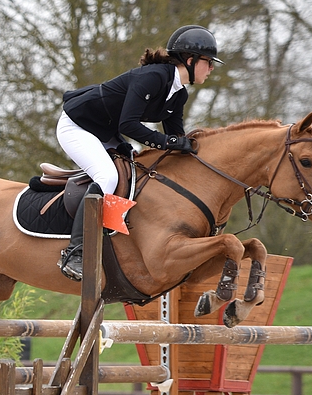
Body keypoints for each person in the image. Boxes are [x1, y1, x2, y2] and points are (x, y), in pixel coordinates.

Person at [56, 24, 223, 281]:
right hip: (77, 125)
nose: (211, 69)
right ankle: (75, 252)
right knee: (107, 177)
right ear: (191, 60)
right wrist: (169, 142)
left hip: (104, 130)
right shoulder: (153, 77)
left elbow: (174, 139)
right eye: (208, 62)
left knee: (135, 175)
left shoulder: (178, 94)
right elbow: (129, 125)